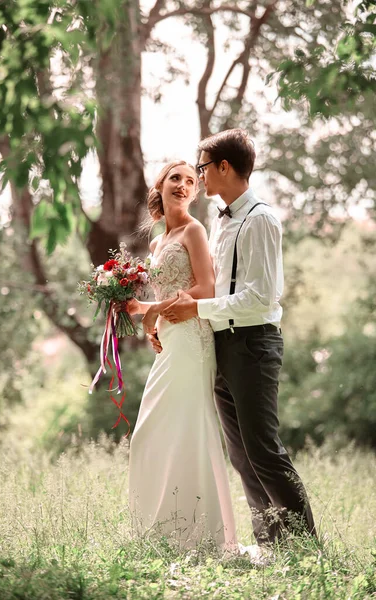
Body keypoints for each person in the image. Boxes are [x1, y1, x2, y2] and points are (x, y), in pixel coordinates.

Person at [159, 129, 316, 549]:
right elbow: (215, 287)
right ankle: (271, 546)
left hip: (253, 344)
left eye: (203, 168)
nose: (199, 176)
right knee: (243, 456)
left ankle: (306, 548)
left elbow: (259, 297)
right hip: (223, 345)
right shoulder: (221, 219)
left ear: (224, 167)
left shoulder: (260, 218)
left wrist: (198, 309)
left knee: (264, 450)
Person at [126, 160, 237, 550]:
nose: (184, 185)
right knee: (154, 434)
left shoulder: (195, 230)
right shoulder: (157, 242)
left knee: (185, 430)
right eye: (176, 178)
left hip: (193, 341)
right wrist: (135, 307)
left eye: (191, 181)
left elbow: (207, 288)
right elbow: (159, 301)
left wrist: (155, 312)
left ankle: (202, 536)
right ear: (161, 184)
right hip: (170, 341)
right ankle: (165, 531)